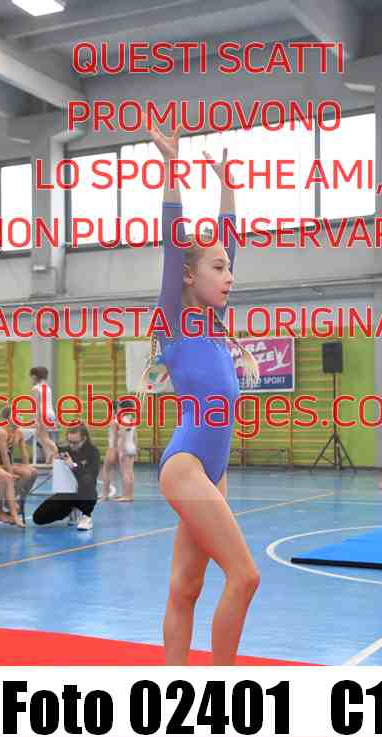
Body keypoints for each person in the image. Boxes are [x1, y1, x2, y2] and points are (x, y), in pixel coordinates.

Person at [136, 119, 261, 666]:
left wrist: (227, 184)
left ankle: (174, 684)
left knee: (186, 585)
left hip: (214, 470)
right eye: (219, 267)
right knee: (245, 575)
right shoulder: (174, 319)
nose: (230, 274)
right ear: (189, 276)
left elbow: (227, 234)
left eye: (230, 267)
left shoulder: (214, 324)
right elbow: (174, 240)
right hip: (186, 466)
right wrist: (171, 165)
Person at [32, 424, 101, 531]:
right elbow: (45, 440)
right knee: (38, 518)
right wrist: (40, 422)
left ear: (84, 439)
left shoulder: (93, 452)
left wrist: (72, 465)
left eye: (75, 442)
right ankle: (71, 510)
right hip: (67, 494)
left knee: (87, 480)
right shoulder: (65, 450)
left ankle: (86, 516)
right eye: (70, 442)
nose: (72, 445)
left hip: (85, 494)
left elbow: (91, 476)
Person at [0, 405, 38, 514]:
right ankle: (9, 501)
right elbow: (3, 455)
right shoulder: (3, 433)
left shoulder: (19, 433)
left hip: (10, 463)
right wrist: (10, 473)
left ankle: (21, 499)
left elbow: (24, 454)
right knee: (26, 473)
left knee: (34, 472)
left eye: (20, 415)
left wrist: (27, 466)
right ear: (9, 418)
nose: (20, 417)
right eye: (17, 415)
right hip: (0, 464)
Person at [101, 400, 138, 502]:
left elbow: (121, 435)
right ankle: (129, 494)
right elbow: (135, 436)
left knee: (116, 471)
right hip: (131, 446)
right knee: (129, 472)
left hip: (122, 447)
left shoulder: (119, 420)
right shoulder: (131, 419)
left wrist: (120, 450)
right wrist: (136, 448)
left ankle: (108, 494)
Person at [30, 366, 57, 464]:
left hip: (43, 414)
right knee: (43, 437)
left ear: (35, 377)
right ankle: (49, 459)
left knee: (44, 438)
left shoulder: (35, 388)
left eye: (32, 377)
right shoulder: (47, 387)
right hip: (51, 414)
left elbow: (36, 405)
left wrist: (35, 420)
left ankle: (56, 451)